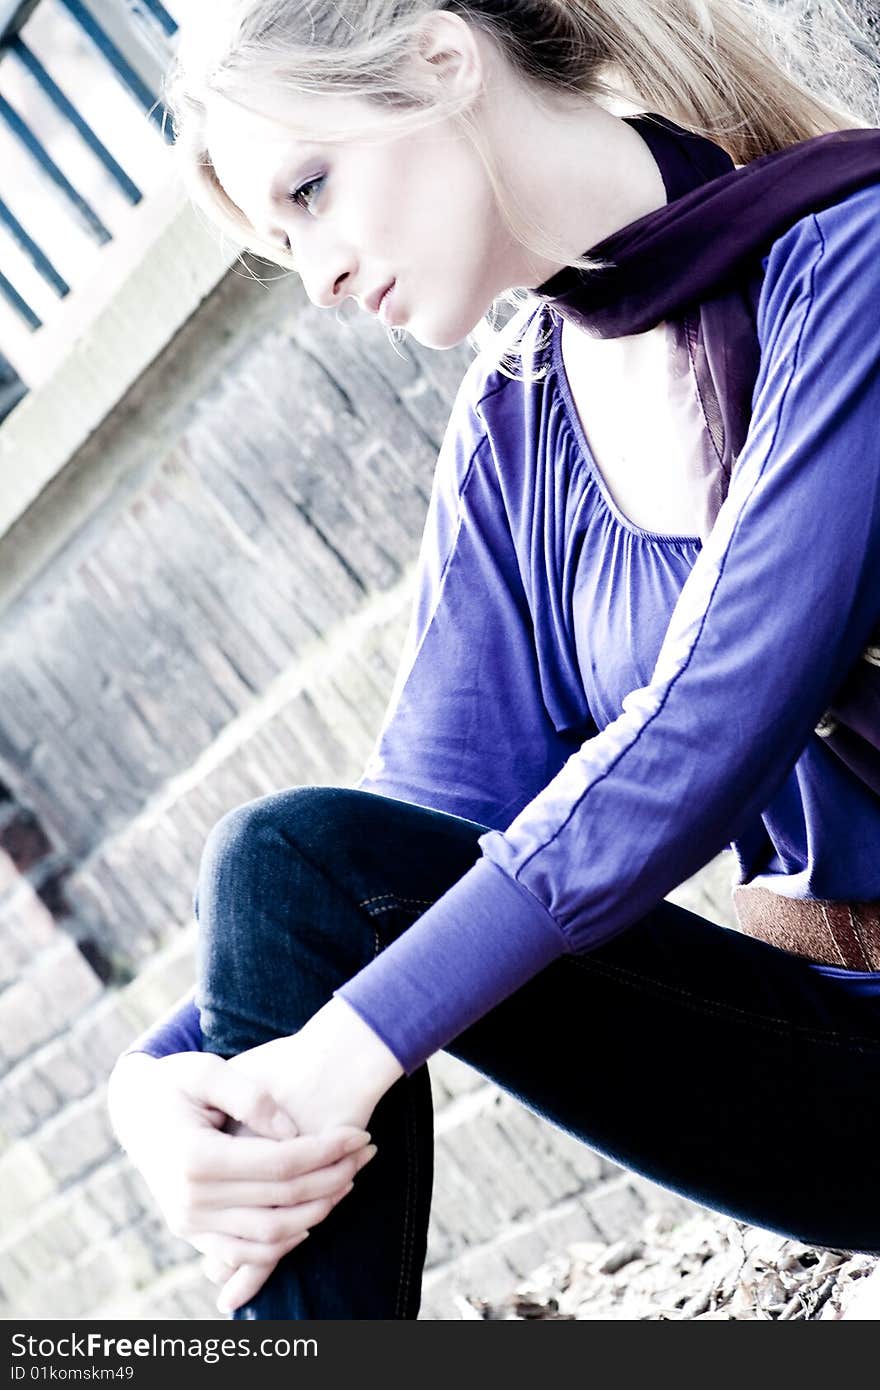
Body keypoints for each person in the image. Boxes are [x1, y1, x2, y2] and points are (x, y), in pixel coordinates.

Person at [107, 0, 880, 1320]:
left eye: (312, 188)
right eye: (279, 237)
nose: (318, 274)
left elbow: (711, 717)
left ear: (441, 58)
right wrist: (166, 1083)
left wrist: (343, 1051)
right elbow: (391, 852)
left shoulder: (851, 255)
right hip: (840, 1061)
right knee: (291, 862)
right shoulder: (521, 426)